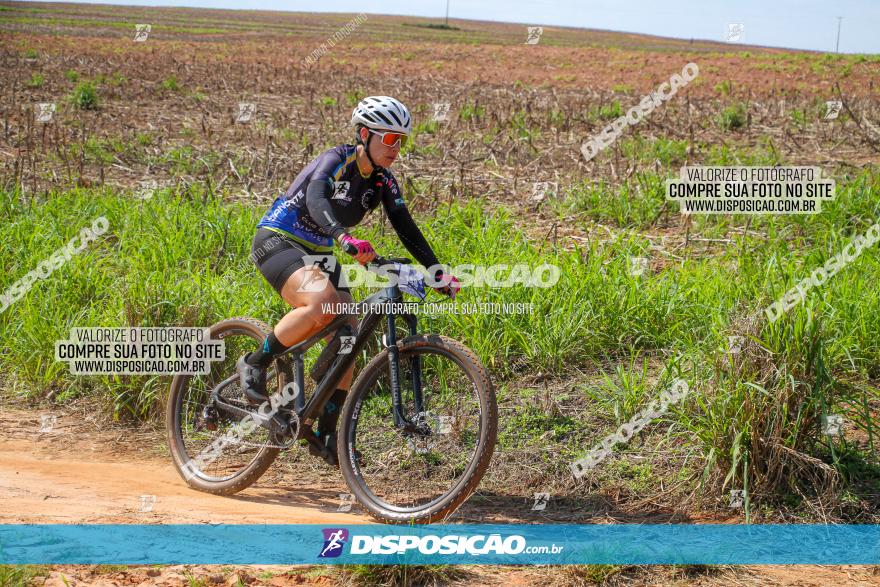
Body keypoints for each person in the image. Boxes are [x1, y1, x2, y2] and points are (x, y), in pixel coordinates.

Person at [238, 96, 460, 462]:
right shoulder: (336, 159)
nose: (396, 150)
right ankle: (255, 361)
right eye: (390, 140)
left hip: (320, 251)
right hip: (278, 239)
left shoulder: (384, 182)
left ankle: (326, 431)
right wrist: (343, 237)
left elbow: (407, 229)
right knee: (322, 302)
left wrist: (436, 272)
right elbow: (315, 196)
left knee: (348, 336)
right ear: (364, 134)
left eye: (401, 141)